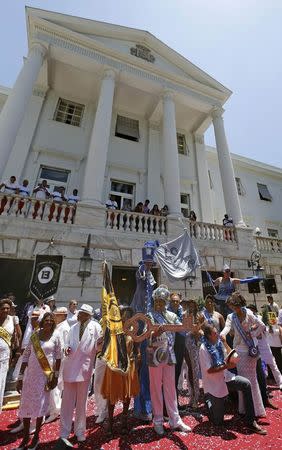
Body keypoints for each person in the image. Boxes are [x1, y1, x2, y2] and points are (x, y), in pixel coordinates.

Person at [199, 323, 266, 434]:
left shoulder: (220, 343)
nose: (217, 334)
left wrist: (225, 343)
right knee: (218, 422)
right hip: (214, 385)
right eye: (215, 333)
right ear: (208, 336)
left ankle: (250, 421)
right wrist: (227, 366)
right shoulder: (203, 348)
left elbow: (233, 356)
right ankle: (208, 400)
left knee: (246, 384)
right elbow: (209, 370)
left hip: (226, 378)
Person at [147, 285, 191, 436]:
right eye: (156, 302)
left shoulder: (172, 316)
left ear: (165, 302)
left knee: (170, 388)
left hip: (170, 354)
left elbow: (182, 328)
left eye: (161, 302)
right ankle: (158, 420)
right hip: (154, 355)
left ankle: (175, 419)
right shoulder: (149, 316)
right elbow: (145, 335)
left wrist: (190, 324)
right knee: (155, 388)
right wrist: (154, 333)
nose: (158, 304)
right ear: (154, 302)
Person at [16, 312, 61, 450]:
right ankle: (25, 438)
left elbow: (59, 357)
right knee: (27, 406)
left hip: (45, 376)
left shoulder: (56, 336)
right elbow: (26, 356)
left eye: (51, 321)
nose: (49, 322)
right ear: (42, 322)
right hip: (31, 376)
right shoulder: (34, 335)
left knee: (41, 406)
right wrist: (20, 376)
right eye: (46, 320)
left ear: (53, 323)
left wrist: (55, 376)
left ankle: (36, 438)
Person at [60, 304, 102, 443]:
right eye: (79, 313)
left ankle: (80, 431)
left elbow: (98, 347)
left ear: (88, 315)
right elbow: (66, 344)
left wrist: (102, 342)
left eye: (82, 313)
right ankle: (64, 432)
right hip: (70, 367)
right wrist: (66, 348)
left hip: (84, 369)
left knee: (81, 403)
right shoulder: (73, 328)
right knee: (67, 402)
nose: (79, 315)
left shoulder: (95, 327)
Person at [220, 292, 266, 418]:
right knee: (242, 380)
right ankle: (243, 408)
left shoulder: (249, 313)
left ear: (238, 304)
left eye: (234, 306)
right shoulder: (231, 316)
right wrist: (223, 334)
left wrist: (253, 334)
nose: (232, 309)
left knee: (252, 380)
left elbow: (261, 326)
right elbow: (227, 327)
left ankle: (256, 409)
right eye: (231, 307)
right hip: (238, 351)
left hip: (250, 350)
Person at [101, 305, 140, 436]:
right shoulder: (112, 330)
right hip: (114, 368)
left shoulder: (133, 330)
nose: (125, 317)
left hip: (129, 367)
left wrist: (137, 355)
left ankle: (124, 422)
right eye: (123, 314)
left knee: (127, 396)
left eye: (128, 315)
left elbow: (136, 346)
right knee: (112, 396)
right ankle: (110, 424)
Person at [131, 243, 157, 422]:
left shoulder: (151, 279)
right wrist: (144, 263)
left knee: (149, 367)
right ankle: (139, 407)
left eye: (151, 263)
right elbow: (141, 273)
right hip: (139, 320)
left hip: (149, 323)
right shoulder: (141, 273)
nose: (149, 266)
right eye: (147, 263)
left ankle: (148, 406)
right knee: (139, 365)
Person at [248, 304, 282, 390]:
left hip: (266, 345)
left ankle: (280, 382)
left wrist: (268, 330)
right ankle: (263, 385)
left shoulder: (266, 317)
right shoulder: (246, 321)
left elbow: (274, 330)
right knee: (261, 369)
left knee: (273, 365)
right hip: (255, 348)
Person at [45, 307, 70, 424]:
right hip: (55, 359)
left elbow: (63, 348)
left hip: (59, 360)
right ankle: (52, 408)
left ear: (63, 315)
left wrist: (57, 362)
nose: (54, 317)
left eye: (57, 315)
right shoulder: (59, 326)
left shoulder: (64, 328)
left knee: (54, 383)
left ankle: (55, 410)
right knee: (55, 384)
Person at [184, 299, 204, 408]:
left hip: (196, 343)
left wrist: (198, 332)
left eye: (193, 306)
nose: (191, 308)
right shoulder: (184, 315)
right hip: (186, 343)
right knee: (188, 369)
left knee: (195, 370)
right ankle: (191, 395)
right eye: (189, 306)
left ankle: (197, 396)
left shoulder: (200, 316)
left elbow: (203, 330)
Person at [167, 292, 185, 405]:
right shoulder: (165, 313)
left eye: (177, 301)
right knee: (168, 375)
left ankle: (175, 402)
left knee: (177, 373)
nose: (175, 303)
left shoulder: (182, 313)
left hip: (180, 344)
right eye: (173, 301)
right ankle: (167, 403)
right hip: (168, 346)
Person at [0, 298, 14, 412]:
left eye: (7, 308)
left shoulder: (12, 320)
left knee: (1, 381)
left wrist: (15, 354)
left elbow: (15, 337)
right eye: (3, 308)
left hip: (4, 356)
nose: (5, 310)